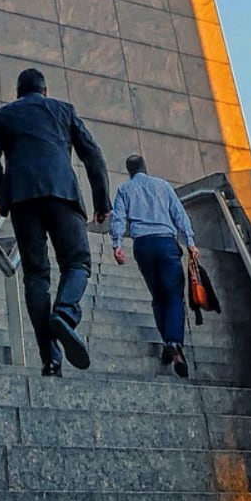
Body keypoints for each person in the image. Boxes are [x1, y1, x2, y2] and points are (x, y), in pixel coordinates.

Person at [0, 68, 110, 376]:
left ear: (18, 92)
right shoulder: (64, 110)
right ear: (45, 90)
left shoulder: (2, 115)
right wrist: (102, 202)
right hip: (63, 193)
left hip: (24, 200)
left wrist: (4, 196)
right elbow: (93, 155)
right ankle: (65, 312)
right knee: (77, 263)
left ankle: (50, 357)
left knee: (36, 276)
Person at [109, 154, 197, 378]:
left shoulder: (124, 190)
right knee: (174, 296)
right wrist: (190, 243)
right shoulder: (162, 185)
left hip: (143, 246)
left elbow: (118, 217)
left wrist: (117, 244)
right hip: (166, 243)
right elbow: (179, 214)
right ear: (145, 167)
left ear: (129, 172)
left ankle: (169, 346)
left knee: (158, 297)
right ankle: (174, 342)